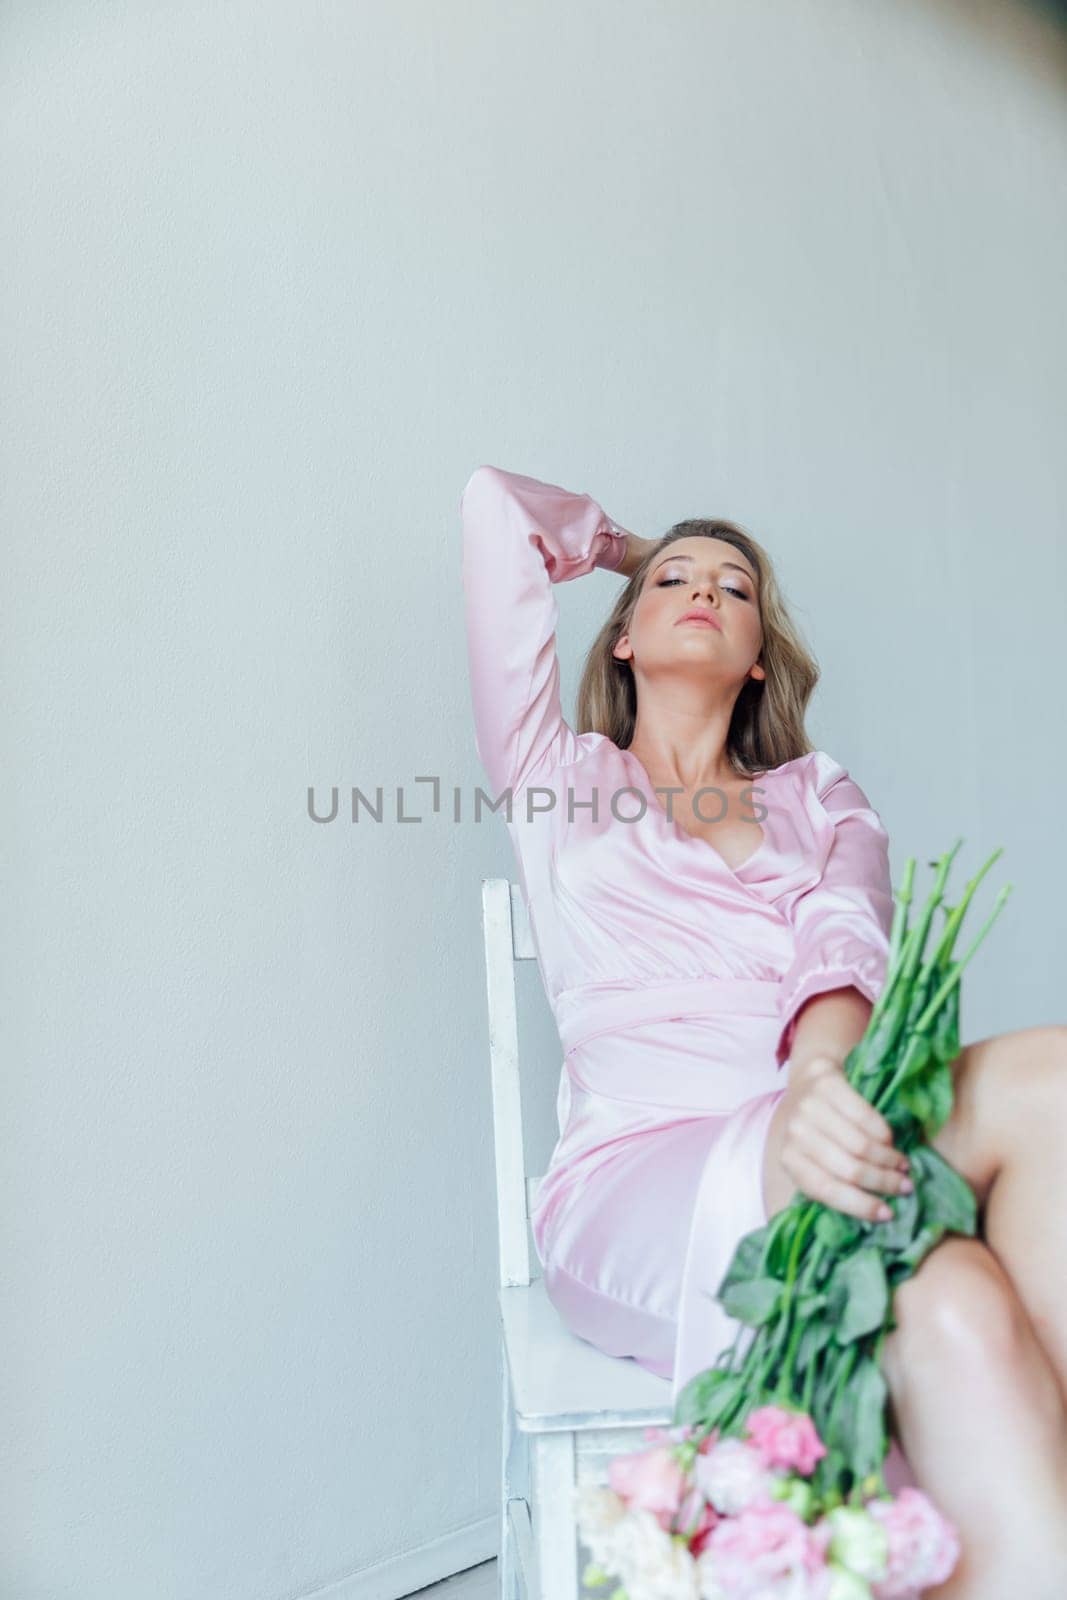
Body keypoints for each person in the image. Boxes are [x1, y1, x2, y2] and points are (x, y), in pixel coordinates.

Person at [459, 463, 1067, 1597]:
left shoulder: (818, 796)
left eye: (733, 589)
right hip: (640, 1172)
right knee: (943, 1260)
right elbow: (494, 508)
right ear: (624, 641)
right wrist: (627, 547)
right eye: (674, 584)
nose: (701, 591)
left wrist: (815, 1086)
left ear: (756, 658)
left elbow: (845, 942)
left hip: (816, 1113)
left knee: (962, 1275)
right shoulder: (555, 779)